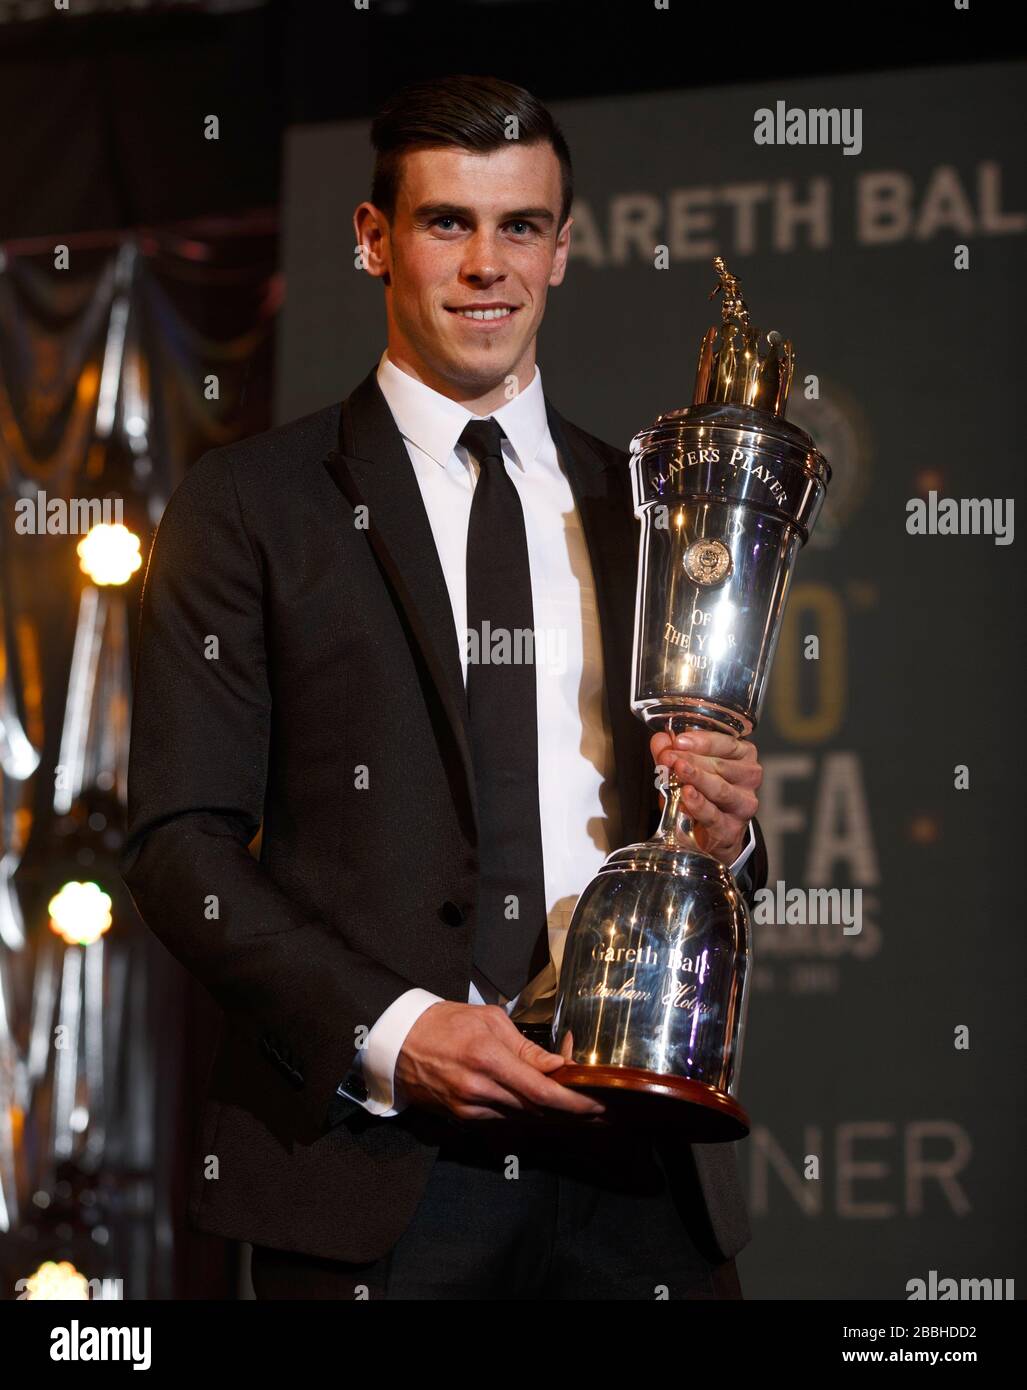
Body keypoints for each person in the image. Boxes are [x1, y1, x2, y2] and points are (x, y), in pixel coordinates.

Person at [121, 73, 768, 1300]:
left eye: (520, 226)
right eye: (446, 222)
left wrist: (728, 839)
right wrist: (397, 1031)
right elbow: (176, 844)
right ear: (373, 241)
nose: (487, 264)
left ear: (564, 251)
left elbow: (704, 828)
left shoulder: (648, 508)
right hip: (380, 1170)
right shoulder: (253, 504)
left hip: (638, 1168)